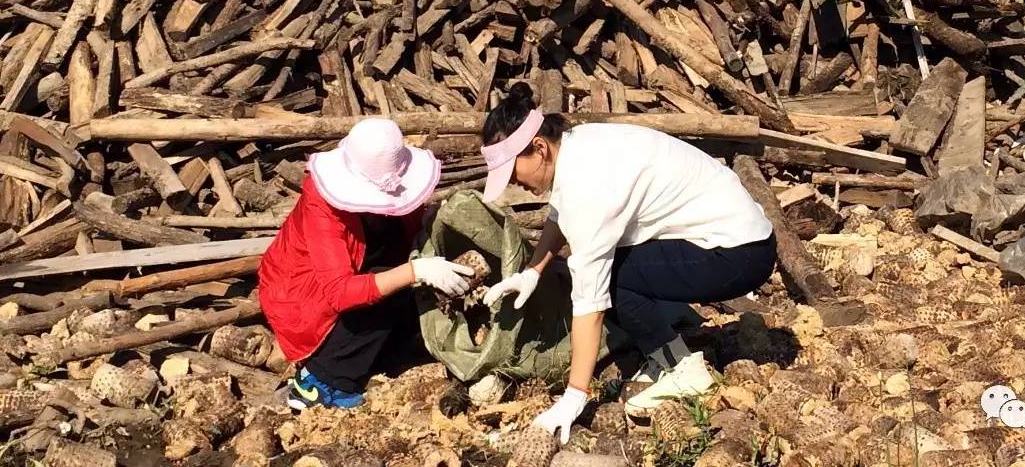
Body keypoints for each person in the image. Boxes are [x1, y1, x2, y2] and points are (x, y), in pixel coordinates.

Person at [477, 83, 775, 437]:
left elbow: (590, 301)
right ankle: (669, 352)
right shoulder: (576, 146)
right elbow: (560, 214)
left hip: (739, 253)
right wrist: (532, 271)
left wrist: (574, 395)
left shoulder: (589, 185)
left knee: (612, 278)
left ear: (539, 148)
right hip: (738, 238)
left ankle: (684, 370)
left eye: (513, 172)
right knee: (609, 269)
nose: (514, 183)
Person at [258, 117, 475, 410]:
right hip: (302, 298)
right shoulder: (321, 206)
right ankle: (321, 380)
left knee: (411, 307)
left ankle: (378, 359)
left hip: (368, 272)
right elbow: (339, 293)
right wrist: (416, 271)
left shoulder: (395, 187)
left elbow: (409, 230)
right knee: (391, 290)